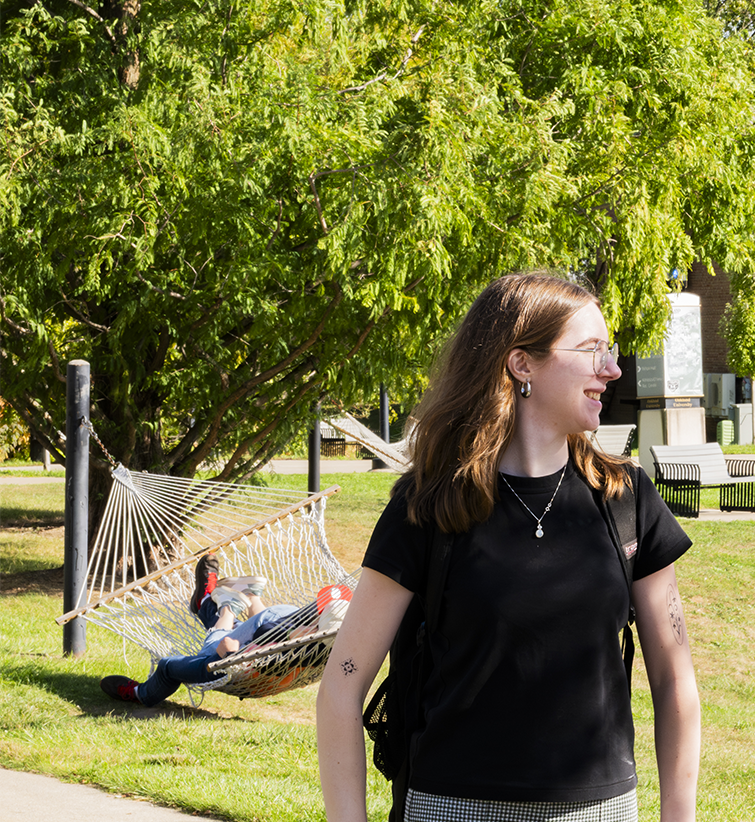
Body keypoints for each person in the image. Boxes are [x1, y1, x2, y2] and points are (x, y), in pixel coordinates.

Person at [316, 271, 701, 822]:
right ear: (522, 364)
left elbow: (675, 680)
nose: (612, 369)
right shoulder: (428, 505)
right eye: (592, 350)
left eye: (609, 350)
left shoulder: (625, 499)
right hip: (451, 811)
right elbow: (341, 689)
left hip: (601, 812)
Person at [100, 575, 303, 707]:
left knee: (169, 664)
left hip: (279, 618)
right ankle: (222, 602)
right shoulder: (324, 642)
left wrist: (231, 654)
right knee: (234, 633)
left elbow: (255, 634)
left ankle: (231, 601)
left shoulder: (310, 627)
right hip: (271, 630)